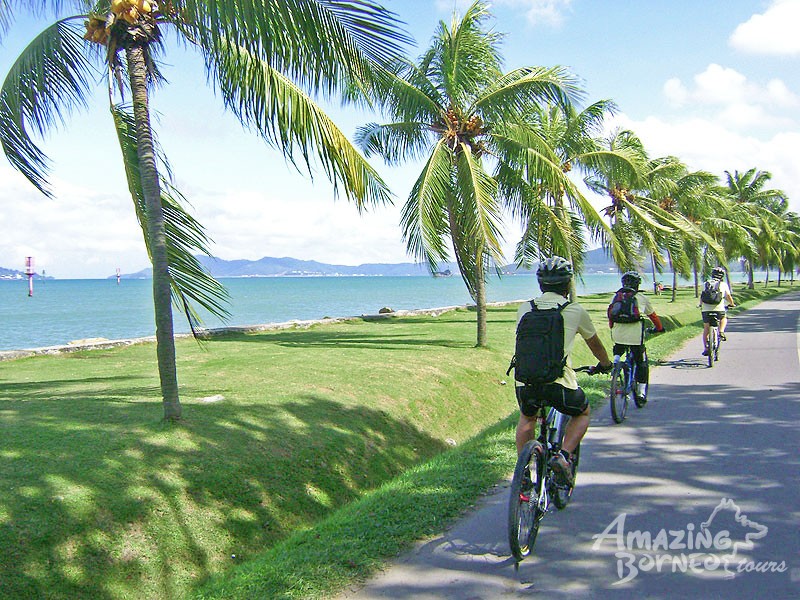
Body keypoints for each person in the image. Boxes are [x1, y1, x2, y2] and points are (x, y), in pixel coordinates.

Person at [514, 256, 613, 486]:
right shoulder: (574, 310)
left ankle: (524, 472)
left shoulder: (524, 308)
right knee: (583, 412)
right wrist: (606, 364)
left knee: (527, 418)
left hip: (525, 382)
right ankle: (564, 456)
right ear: (568, 284)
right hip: (559, 384)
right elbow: (595, 344)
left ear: (541, 285)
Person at [608, 271, 665, 402]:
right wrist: (659, 328)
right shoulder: (641, 298)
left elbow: (611, 315)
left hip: (617, 335)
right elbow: (653, 317)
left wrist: (613, 326)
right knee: (641, 363)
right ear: (637, 285)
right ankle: (641, 393)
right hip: (635, 338)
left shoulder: (616, 297)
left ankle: (616, 363)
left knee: (618, 348)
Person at [701, 266, 736, 355]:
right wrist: (732, 304)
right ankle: (721, 331)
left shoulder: (705, 284)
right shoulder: (723, 284)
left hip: (706, 310)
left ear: (712, 275)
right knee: (723, 318)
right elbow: (728, 296)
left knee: (706, 328)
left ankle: (706, 349)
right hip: (719, 309)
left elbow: (702, 297)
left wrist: (700, 305)